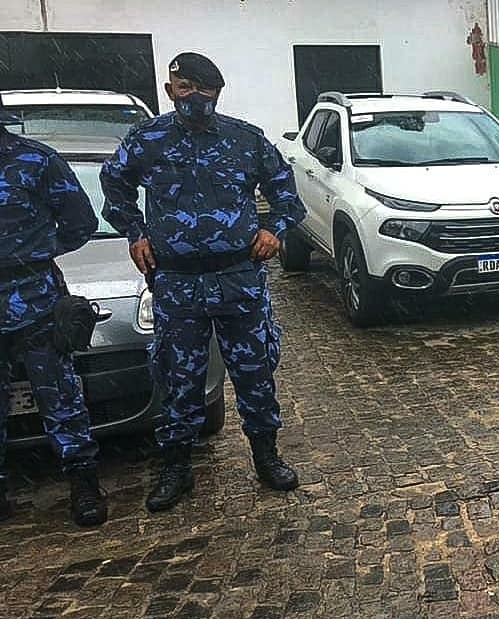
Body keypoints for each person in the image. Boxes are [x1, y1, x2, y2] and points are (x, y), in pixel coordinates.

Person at [100, 52, 307, 512]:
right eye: (185, 87)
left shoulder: (245, 140)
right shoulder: (147, 140)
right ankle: (177, 465)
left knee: (254, 372)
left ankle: (267, 456)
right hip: (177, 282)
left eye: (204, 89)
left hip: (238, 278)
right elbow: (113, 186)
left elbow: (286, 193)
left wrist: (274, 229)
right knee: (180, 376)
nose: (194, 97)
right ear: (170, 91)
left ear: (218, 92)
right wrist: (135, 232)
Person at [0, 93, 108, 527]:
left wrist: (34, 254)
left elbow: (81, 222)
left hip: (36, 302)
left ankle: (84, 484)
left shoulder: (37, 161)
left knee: (60, 397)